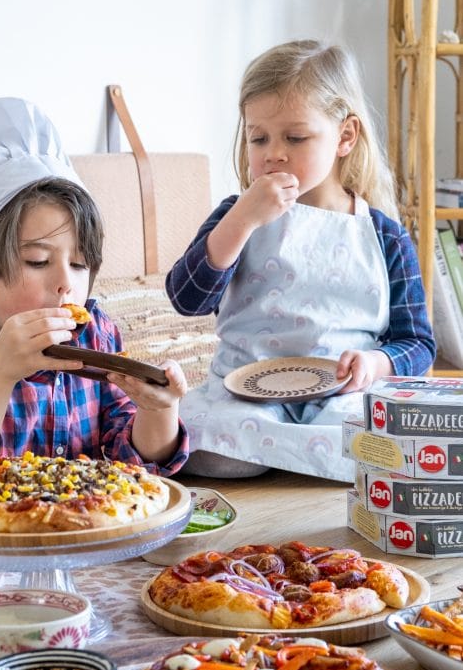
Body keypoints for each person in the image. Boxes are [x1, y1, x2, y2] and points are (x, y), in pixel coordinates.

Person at [166, 39, 436, 482]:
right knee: (207, 449)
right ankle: (302, 459)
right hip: (244, 391)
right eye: (259, 137)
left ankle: (300, 456)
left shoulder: (383, 234)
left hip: (341, 395)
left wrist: (375, 364)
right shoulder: (237, 215)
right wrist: (241, 222)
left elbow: (418, 343)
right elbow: (187, 298)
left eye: (295, 137)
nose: (274, 152)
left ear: (345, 136)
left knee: (378, 439)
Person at [0, 97, 189, 482]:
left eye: (80, 264)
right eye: (37, 260)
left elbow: (134, 462)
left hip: (87, 526)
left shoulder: (97, 337)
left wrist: (158, 409)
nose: (66, 283)